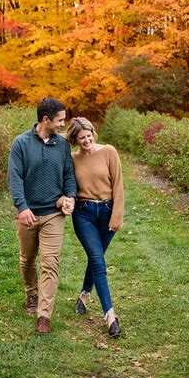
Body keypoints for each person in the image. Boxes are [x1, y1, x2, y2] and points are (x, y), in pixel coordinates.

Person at [8, 96, 77, 335]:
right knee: (27, 260)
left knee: (50, 263)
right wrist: (22, 207)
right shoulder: (21, 144)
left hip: (53, 215)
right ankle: (31, 294)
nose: (62, 125)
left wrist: (70, 197)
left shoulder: (62, 145)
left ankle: (44, 315)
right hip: (28, 214)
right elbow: (15, 177)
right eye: (60, 120)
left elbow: (69, 174)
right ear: (46, 119)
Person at [64, 116, 124, 338]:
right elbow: (68, 185)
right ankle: (110, 315)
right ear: (75, 140)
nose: (87, 140)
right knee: (98, 260)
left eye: (89, 136)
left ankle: (83, 295)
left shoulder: (109, 151)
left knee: (95, 257)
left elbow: (118, 185)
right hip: (84, 214)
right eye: (81, 138)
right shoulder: (72, 159)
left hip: (107, 212)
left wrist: (116, 216)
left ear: (93, 134)